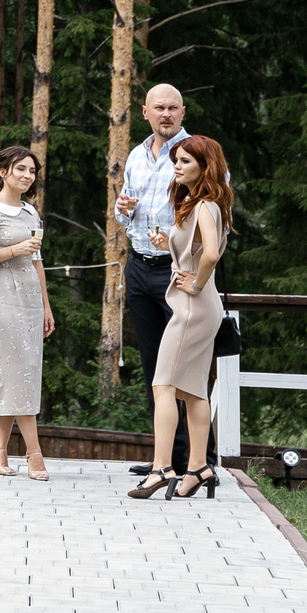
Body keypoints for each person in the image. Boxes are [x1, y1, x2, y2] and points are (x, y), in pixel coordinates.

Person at [114, 83, 213, 475]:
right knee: (154, 366)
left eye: (173, 108)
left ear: (183, 112)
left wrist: (191, 265)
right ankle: (166, 458)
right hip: (139, 268)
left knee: (186, 369)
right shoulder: (136, 156)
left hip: (178, 273)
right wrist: (123, 208)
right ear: (145, 112)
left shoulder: (198, 153)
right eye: (159, 108)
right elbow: (124, 213)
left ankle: (199, 461)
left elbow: (218, 213)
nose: (166, 114)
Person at [126, 133, 231, 501]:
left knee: (163, 385)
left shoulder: (205, 205)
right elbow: (198, 248)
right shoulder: (201, 203)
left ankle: (161, 468)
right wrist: (167, 243)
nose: (177, 167)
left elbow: (211, 254)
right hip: (201, 307)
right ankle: (199, 467)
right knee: (193, 390)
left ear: (205, 166)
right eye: (176, 160)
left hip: (191, 308)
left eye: (185, 161)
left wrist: (196, 284)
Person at [0, 145, 54, 479]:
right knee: (16, 373)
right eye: (21, 169)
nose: (28, 176)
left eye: (32, 171)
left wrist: (46, 306)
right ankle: (34, 454)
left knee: (24, 372)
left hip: (30, 301)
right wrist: (14, 249)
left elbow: (37, 262)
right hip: (2, 299)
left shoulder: (31, 213)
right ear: (3, 172)